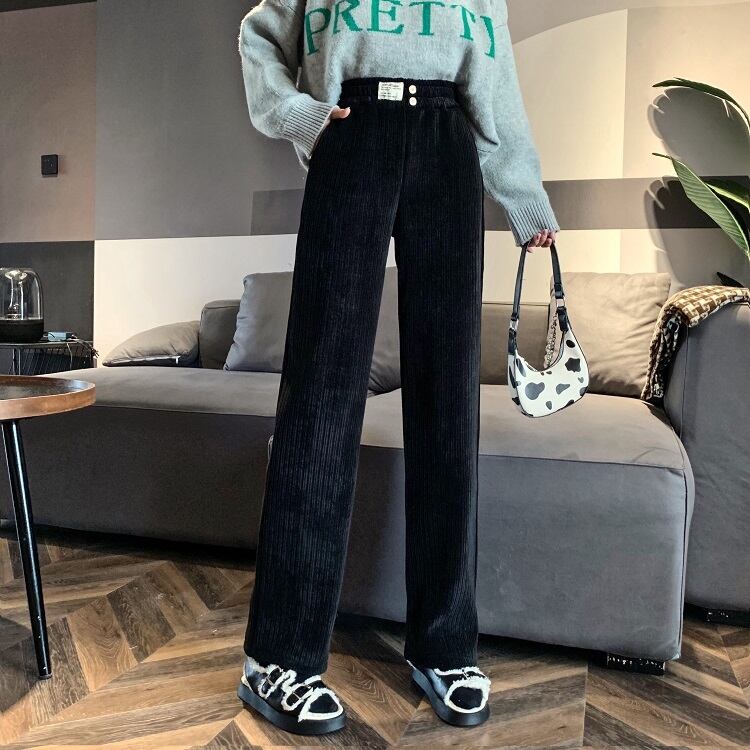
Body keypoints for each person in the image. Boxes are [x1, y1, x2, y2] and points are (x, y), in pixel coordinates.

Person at [236, 0, 559, 735]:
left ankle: (445, 646)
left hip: (448, 142)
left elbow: (494, 77)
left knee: (449, 403)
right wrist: (300, 116)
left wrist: (521, 192)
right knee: (320, 398)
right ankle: (278, 657)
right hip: (352, 131)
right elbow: (260, 36)